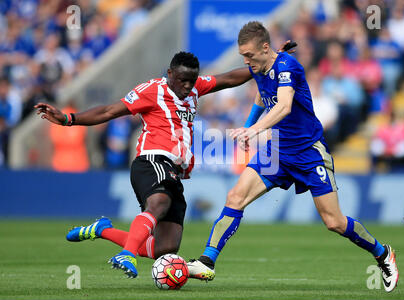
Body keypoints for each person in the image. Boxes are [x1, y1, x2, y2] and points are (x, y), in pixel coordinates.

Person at [34, 45, 295, 279]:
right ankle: (126, 255)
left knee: (165, 247)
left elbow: (228, 79)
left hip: (175, 171)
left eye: (191, 81)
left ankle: (103, 230)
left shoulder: (194, 87)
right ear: (170, 73)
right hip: (151, 160)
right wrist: (69, 119)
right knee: (159, 202)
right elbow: (109, 111)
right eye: (182, 80)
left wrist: (267, 61)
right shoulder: (151, 90)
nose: (186, 86)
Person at [187, 21, 399, 293]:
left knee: (333, 221)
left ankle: (382, 253)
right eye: (243, 56)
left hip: (309, 152)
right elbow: (263, 98)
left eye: (249, 55)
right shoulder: (260, 66)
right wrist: (249, 126)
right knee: (235, 197)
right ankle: (208, 261)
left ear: (265, 47)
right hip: (276, 150)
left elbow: (285, 106)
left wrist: (252, 130)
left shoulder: (288, 66)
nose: (246, 60)